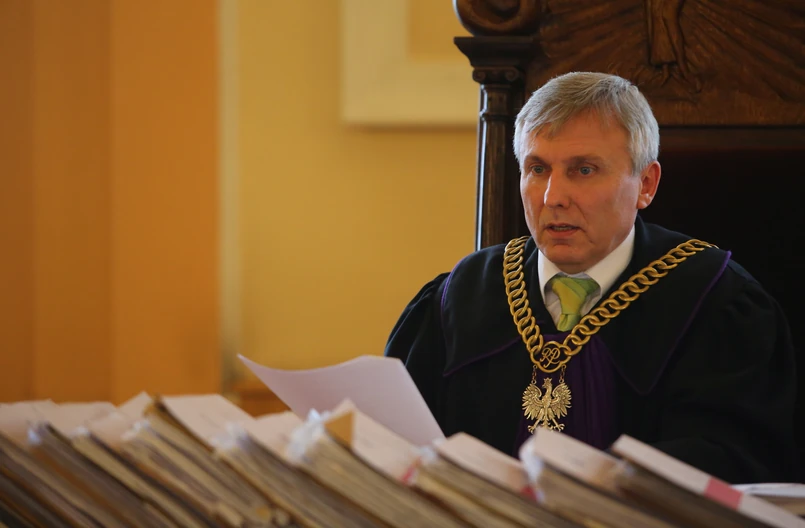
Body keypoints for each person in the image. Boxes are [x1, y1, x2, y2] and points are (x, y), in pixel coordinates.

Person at [384, 72, 799, 484]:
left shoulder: (716, 302)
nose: (553, 197)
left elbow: (737, 468)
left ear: (646, 184)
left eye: (583, 170)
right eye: (538, 168)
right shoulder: (457, 299)